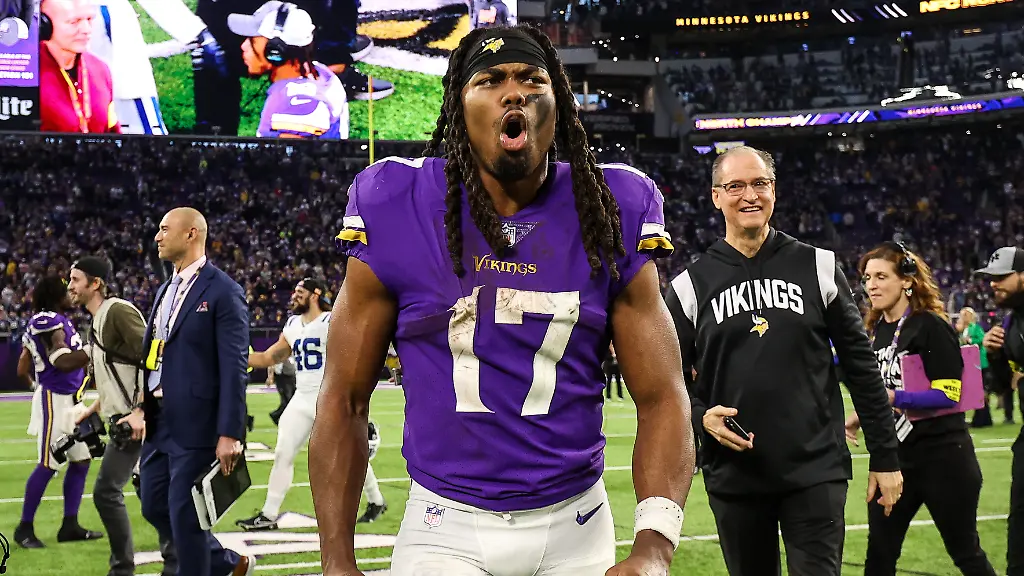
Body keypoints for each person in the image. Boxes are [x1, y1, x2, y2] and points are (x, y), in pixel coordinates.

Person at [311, 24, 696, 576]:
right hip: (443, 525)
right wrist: (336, 563)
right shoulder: (396, 202)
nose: (513, 92)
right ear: (459, 105)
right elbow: (344, 398)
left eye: (532, 79)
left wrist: (654, 547)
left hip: (576, 525)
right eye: (489, 80)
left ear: (559, 103)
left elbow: (662, 397)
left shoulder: (613, 208)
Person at [664, 145, 902, 576]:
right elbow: (666, 382)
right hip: (735, 474)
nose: (749, 195)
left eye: (760, 183)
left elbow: (861, 367)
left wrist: (885, 457)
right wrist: (700, 417)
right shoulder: (688, 286)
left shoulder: (819, 266)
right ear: (716, 196)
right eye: (735, 186)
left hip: (815, 470)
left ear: (774, 190)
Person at [851, 242, 995, 575]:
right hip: (896, 460)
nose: (871, 285)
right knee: (879, 556)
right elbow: (891, 388)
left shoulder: (930, 325)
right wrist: (863, 415)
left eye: (881, 276)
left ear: (907, 280)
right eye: (867, 278)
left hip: (944, 458)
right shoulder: (879, 329)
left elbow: (949, 394)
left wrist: (893, 398)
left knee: (965, 553)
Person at [132, 207, 255, 576]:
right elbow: (153, 355)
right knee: (154, 504)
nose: (157, 236)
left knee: (187, 518)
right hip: (160, 420)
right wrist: (141, 406)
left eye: (164, 229)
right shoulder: (164, 290)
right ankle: (225, 563)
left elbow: (234, 366)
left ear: (191, 234)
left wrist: (230, 432)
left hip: (197, 423)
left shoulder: (224, 291)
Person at [236, 278, 387, 531]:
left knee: (350, 455)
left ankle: (376, 500)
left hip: (330, 399)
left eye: (299, 292)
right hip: (302, 397)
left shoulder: (333, 321)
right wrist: (234, 355)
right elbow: (269, 357)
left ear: (315, 295)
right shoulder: (293, 325)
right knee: (283, 452)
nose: (293, 296)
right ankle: (268, 514)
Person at [66, 256, 179, 576]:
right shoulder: (98, 319)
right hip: (125, 419)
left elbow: (155, 357)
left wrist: (142, 410)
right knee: (151, 492)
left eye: (75, 280)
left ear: (96, 283)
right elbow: (117, 374)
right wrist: (94, 409)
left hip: (138, 419)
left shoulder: (117, 311)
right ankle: (176, 561)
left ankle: (125, 568)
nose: (70, 286)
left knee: (107, 491)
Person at [13, 276, 103, 549]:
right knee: (49, 463)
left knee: (81, 460)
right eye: (65, 289)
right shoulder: (46, 320)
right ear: (54, 294)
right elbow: (61, 360)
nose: (70, 293)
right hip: (55, 399)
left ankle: (70, 525)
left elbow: (22, 366)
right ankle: (24, 528)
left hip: (71, 400)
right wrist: (96, 350)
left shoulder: (59, 320)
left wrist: (33, 384)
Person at [973, 246, 1024, 576]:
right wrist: (995, 354)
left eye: (1002, 277)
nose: (993, 284)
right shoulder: (1010, 322)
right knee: (1019, 521)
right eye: (991, 278)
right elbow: (1004, 386)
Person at [228, 1, 349, 139]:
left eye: (252, 40)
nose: (244, 46)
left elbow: (294, 152)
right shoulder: (319, 71)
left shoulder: (298, 103)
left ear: (275, 51)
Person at [39, 0, 120, 133]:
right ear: (44, 25)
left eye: (89, 19)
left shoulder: (100, 69)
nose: (86, 29)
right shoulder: (26, 72)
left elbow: (113, 131)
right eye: (74, 22)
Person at [958, 307, 995, 428]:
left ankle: (982, 419)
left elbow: (981, 339)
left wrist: (970, 340)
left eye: (963, 315)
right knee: (977, 392)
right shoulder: (965, 329)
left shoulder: (975, 327)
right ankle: (982, 418)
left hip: (980, 363)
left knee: (981, 392)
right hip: (971, 364)